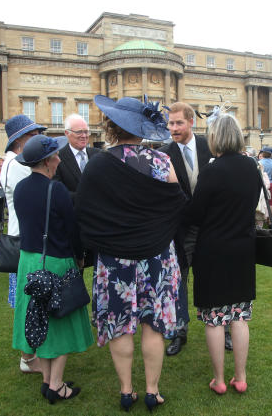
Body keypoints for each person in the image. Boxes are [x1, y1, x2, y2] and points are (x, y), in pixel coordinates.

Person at [77, 95, 186, 412]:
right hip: (156, 256)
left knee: (120, 324)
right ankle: (152, 391)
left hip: (114, 259)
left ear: (111, 126)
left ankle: (127, 391)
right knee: (153, 325)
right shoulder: (161, 161)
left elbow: (83, 211)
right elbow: (177, 204)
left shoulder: (97, 163)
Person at [12, 134, 94, 404]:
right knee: (61, 322)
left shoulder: (22, 188)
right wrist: (80, 256)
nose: (60, 158)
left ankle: (48, 381)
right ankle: (57, 385)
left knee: (40, 320)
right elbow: (72, 229)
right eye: (57, 155)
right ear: (47, 161)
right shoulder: (55, 190)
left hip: (28, 261)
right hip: (55, 262)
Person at [185, 113, 260, 395]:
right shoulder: (251, 167)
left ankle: (219, 380)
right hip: (242, 248)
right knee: (239, 316)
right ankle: (239, 377)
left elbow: (194, 213)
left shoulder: (212, 170)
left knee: (215, 318)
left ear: (215, 137)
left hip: (213, 250)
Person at [158, 101, 213, 356]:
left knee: (212, 278)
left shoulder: (210, 145)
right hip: (179, 230)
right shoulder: (163, 153)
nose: (174, 127)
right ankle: (180, 331)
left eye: (179, 122)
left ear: (191, 122)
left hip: (210, 226)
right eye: (170, 123)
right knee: (178, 282)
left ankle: (220, 327)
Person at [0, 114, 44, 373]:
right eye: (33, 134)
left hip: (23, 235)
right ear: (20, 140)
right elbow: (31, 195)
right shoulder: (17, 163)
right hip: (25, 238)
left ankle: (30, 354)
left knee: (29, 300)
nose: (38, 137)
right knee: (29, 302)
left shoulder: (13, 162)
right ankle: (27, 357)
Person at [53, 114, 100, 195]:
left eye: (86, 132)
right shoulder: (57, 158)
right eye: (79, 132)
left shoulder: (99, 154)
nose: (84, 136)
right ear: (67, 133)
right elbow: (57, 191)